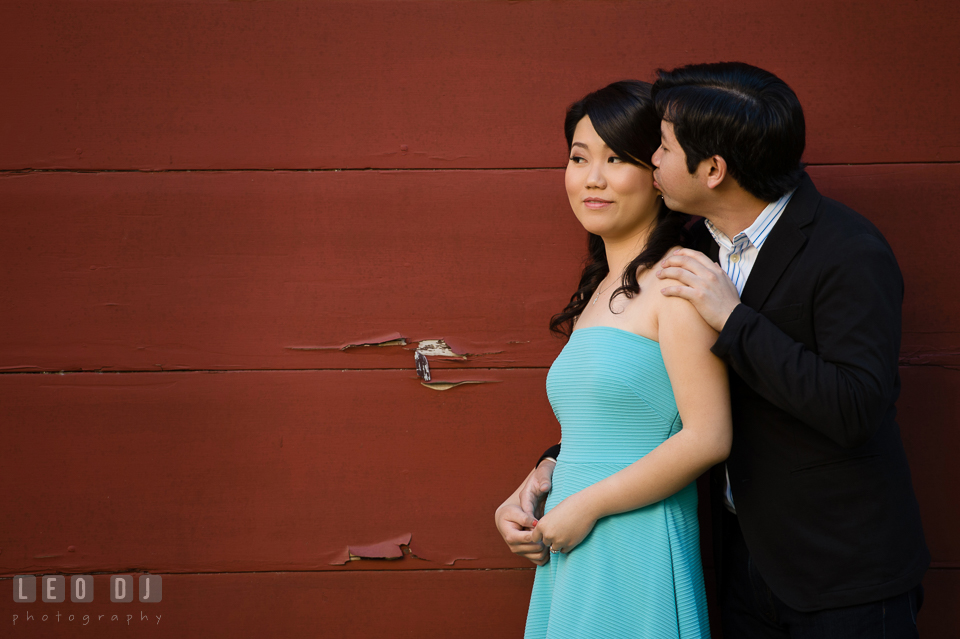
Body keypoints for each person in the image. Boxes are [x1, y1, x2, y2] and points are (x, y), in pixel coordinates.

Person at [499, 62, 930, 638]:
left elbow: (854, 408)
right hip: (738, 561)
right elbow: (656, 395)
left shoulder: (845, 250)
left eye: (664, 147)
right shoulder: (690, 247)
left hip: (840, 570)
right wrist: (555, 464)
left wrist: (733, 318)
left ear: (713, 168)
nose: (653, 159)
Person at [496, 80, 731, 639]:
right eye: (579, 158)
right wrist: (536, 483)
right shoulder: (600, 288)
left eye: (616, 159)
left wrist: (589, 506)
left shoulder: (677, 281)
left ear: (658, 173)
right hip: (576, 532)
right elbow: (599, 430)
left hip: (635, 536)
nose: (592, 178)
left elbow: (708, 436)